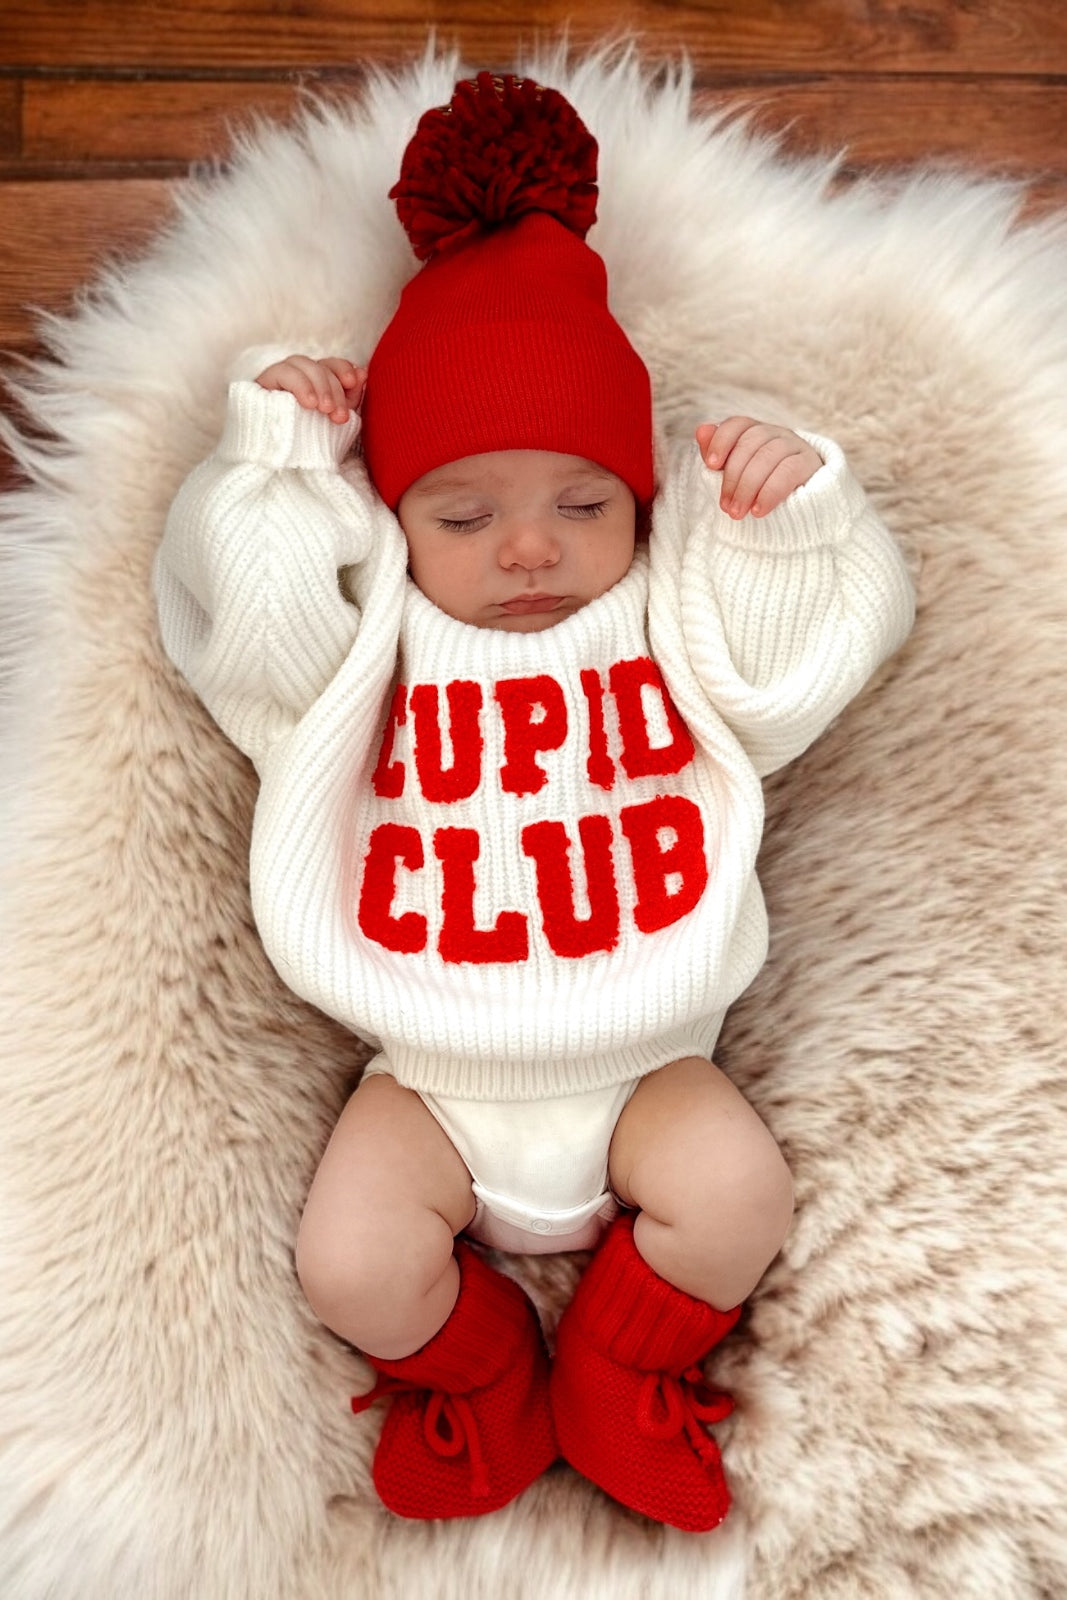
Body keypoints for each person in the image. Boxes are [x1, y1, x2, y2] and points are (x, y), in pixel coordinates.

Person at [154, 73, 915, 1532]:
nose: (528, 551)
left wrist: (789, 523)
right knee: (351, 1265)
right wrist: (277, 465)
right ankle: (488, 1369)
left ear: (638, 505)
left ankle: (619, 1372)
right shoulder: (373, 636)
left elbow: (799, 670)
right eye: (465, 513)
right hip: (428, 1076)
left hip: (652, 1058)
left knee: (741, 1198)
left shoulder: (662, 612)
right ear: (396, 514)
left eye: (584, 504)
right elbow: (241, 629)